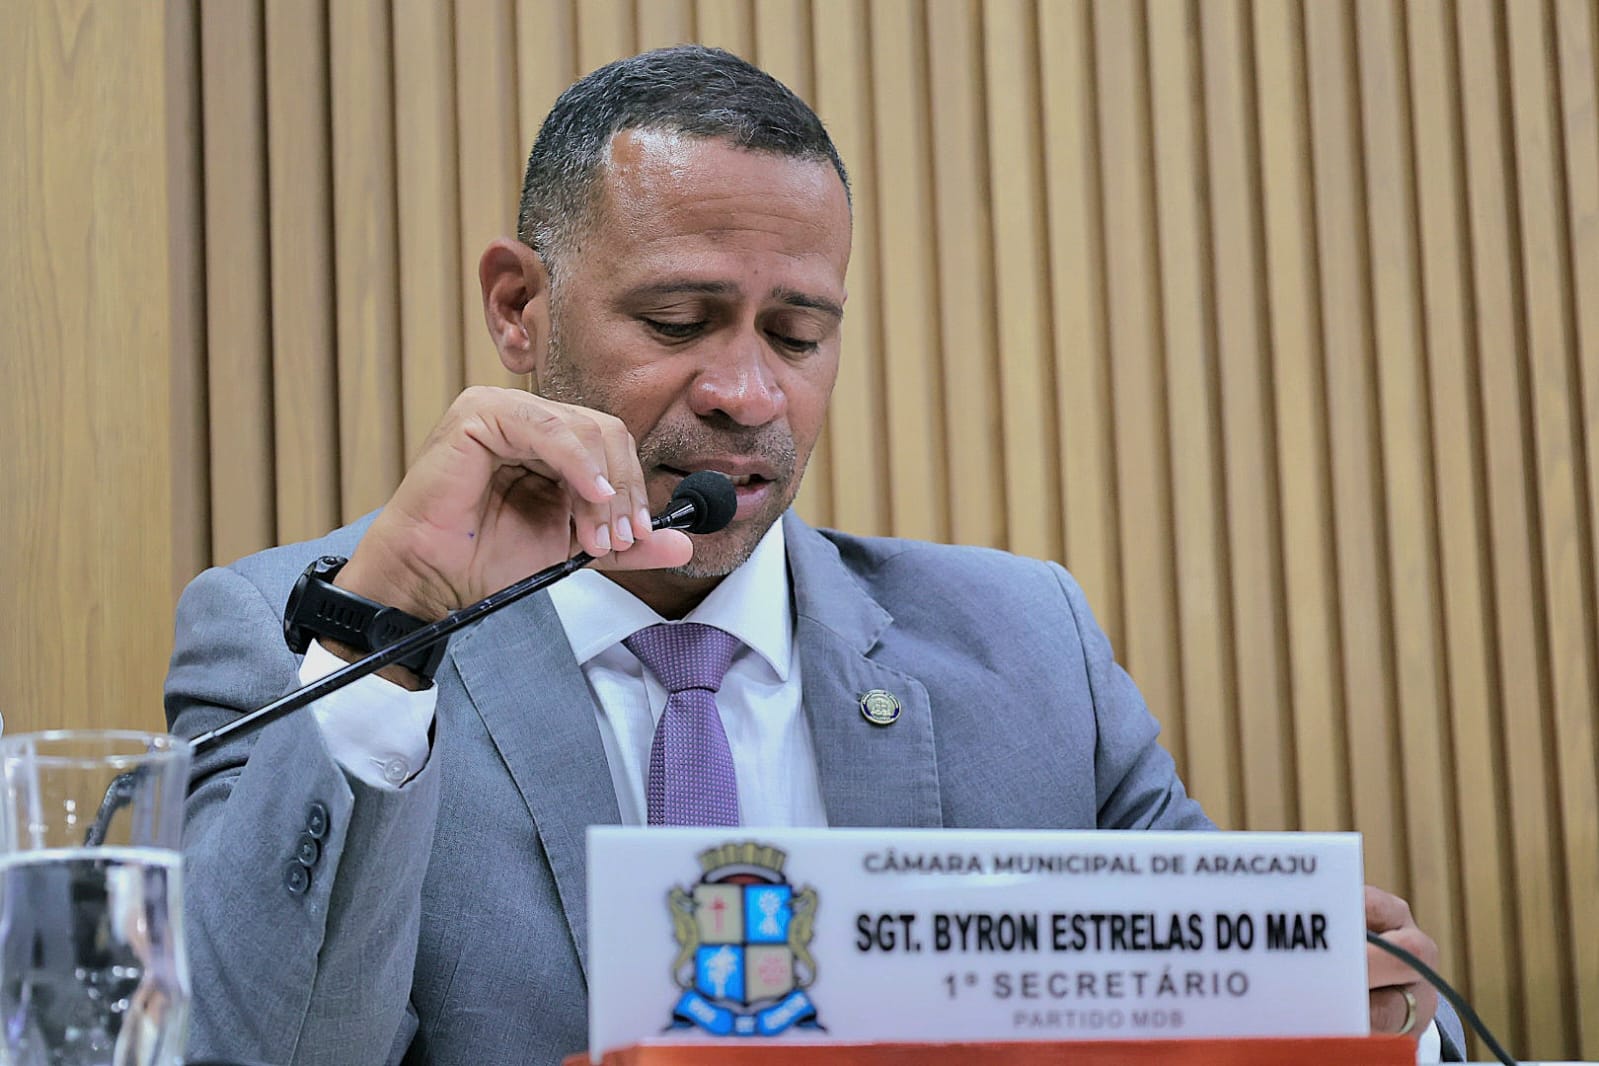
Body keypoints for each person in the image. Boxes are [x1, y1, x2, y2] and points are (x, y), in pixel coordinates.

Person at [166, 45, 1461, 1066]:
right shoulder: (300, 638)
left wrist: (1379, 1007)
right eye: (680, 319)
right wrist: (391, 643)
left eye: (797, 336)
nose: (747, 393)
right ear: (519, 306)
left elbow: (1239, 1008)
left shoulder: (1027, 647)